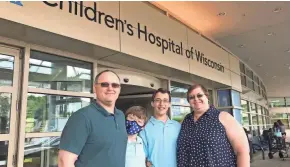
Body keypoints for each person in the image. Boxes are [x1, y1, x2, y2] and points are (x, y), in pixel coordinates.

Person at [58, 70, 127, 167]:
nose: (110, 88)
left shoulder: (120, 116)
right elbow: (64, 162)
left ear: (119, 89)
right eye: (104, 84)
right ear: (95, 88)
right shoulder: (81, 117)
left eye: (115, 85)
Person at [177, 84, 250, 167]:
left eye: (199, 95)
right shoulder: (185, 121)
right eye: (191, 97)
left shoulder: (223, 118)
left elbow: (242, 151)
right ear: (189, 101)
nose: (196, 99)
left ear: (207, 97)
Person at [139, 88, 181, 167]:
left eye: (165, 100)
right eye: (158, 100)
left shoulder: (178, 127)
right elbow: (142, 157)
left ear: (169, 104)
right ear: (152, 103)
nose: (161, 104)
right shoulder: (144, 128)